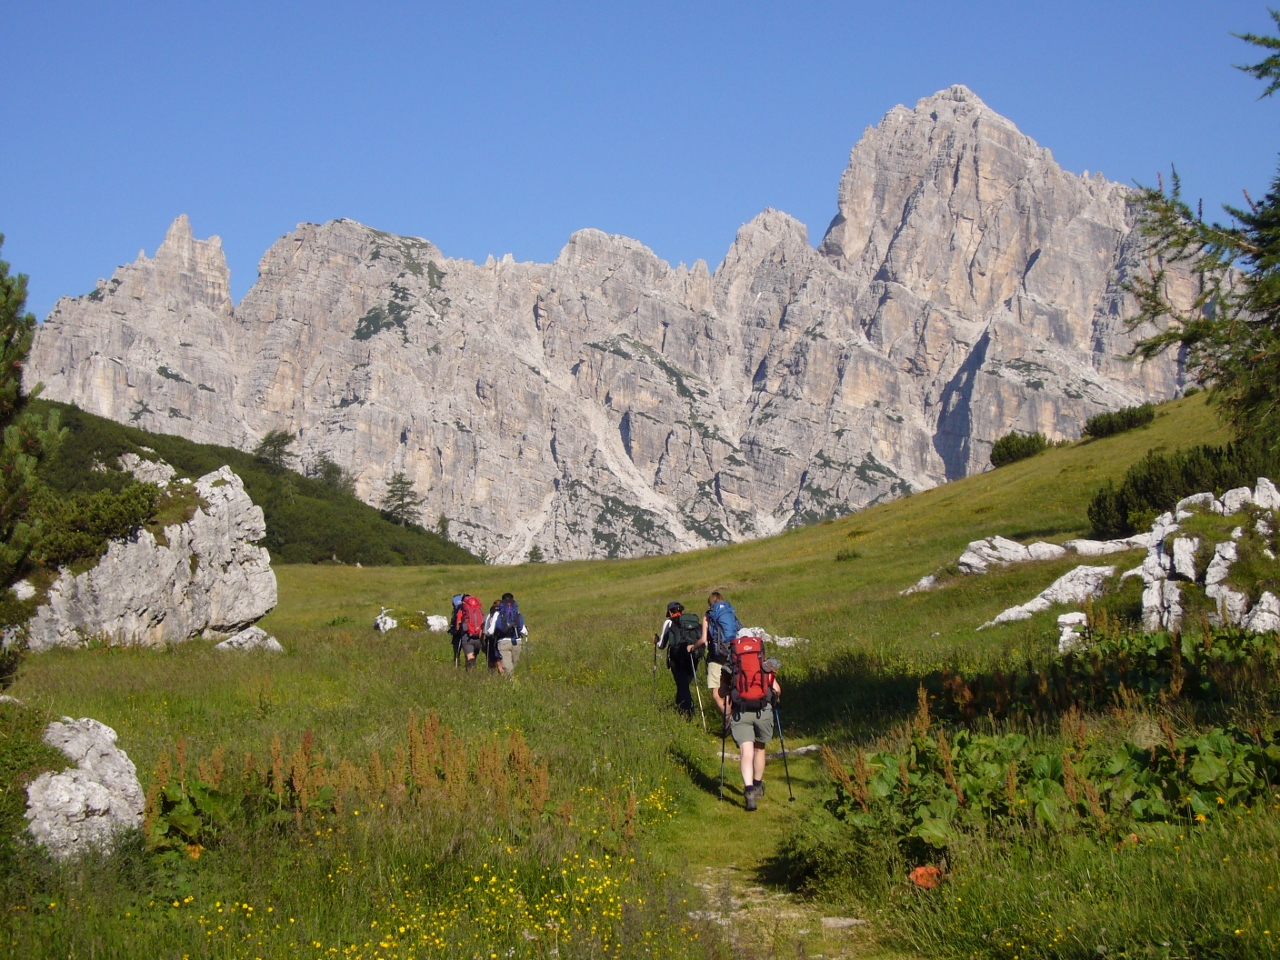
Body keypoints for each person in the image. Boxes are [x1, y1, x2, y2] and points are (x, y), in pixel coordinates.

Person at [720, 635, 782, 812]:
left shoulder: (729, 668)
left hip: (741, 712)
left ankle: (748, 790)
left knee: (745, 752)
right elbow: (777, 689)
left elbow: (722, 691)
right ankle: (757, 785)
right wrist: (775, 698)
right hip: (763, 711)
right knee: (759, 749)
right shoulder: (766, 666)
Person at [693, 591, 739, 723]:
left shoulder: (709, 615)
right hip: (732, 655)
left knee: (716, 694)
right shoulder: (730, 612)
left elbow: (703, 640)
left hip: (716, 657)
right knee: (730, 690)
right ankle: (734, 719)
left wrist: (692, 647)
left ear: (710, 602)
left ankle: (729, 718)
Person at [654, 601, 703, 718]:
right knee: (683, 684)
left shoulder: (669, 622)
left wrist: (656, 640)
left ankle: (688, 713)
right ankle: (681, 708)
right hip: (693, 657)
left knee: (682, 686)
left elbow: (661, 645)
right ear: (681, 610)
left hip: (677, 659)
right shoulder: (693, 622)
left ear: (670, 612)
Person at [489, 592, 527, 676]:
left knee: (508, 669)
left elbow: (490, 631)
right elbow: (524, 631)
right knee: (512, 666)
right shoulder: (517, 613)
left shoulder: (498, 614)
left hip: (503, 642)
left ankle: (511, 684)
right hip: (517, 642)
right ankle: (512, 684)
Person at [451, 593, 486, 671]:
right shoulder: (479, 610)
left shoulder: (462, 611)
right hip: (479, 637)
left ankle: (470, 674)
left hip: (467, 638)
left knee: (470, 657)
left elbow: (457, 627)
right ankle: (472, 671)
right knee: (474, 656)